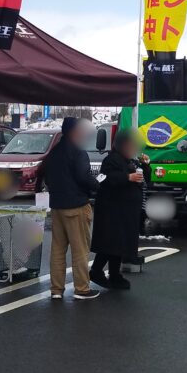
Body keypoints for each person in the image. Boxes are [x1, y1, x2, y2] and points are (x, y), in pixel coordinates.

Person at [45, 117, 100, 301]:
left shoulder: (53, 153)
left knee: (58, 250)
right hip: (76, 205)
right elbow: (84, 177)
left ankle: (56, 290)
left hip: (57, 206)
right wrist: (98, 185)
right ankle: (82, 288)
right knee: (80, 250)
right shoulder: (78, 152)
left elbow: (47, 178)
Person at [90, 129, 150, 289]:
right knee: (110, 243)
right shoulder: (111, 160)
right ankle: (96, 270)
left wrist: (145, 165)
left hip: (126, 212)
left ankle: (115, 275)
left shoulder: (131, 161)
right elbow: (104, 179)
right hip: (112, 211)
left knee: (120, 245)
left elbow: (145, 179)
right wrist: (127, 177)